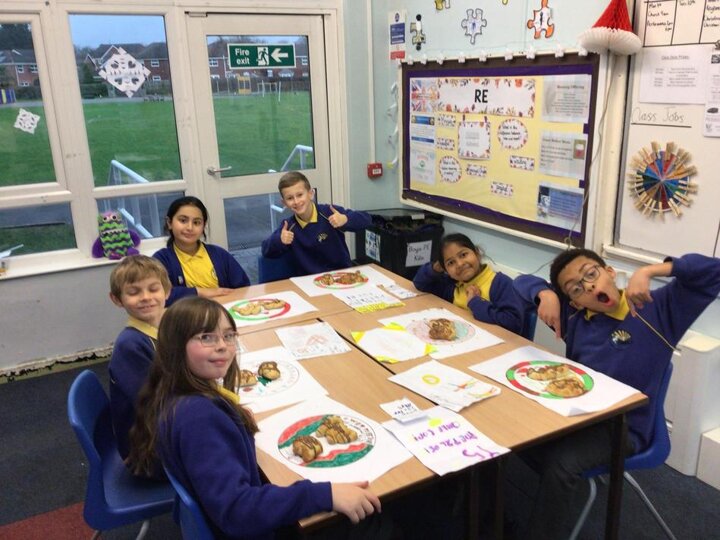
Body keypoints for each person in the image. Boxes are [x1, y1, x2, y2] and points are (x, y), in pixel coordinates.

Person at [127, 297, 381, 539]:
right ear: (175, 346)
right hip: (254, 530)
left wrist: (232, 417)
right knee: (379, 517)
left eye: (228, 335)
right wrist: (325, 495)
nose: (222, 345)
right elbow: (237, 510)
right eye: (206, 337)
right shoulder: (198, 418)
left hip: (226, 518)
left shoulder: (175, 394)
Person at [512, 249, 720, 540]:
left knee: (561, 463)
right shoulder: (574, 317)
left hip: (625, 426)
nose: (589, 287)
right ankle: (548, 489)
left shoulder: (658, 308)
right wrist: (545, 294)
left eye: (591, 274)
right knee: (514, 433)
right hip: (577, 416)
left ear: (609, 272)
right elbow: (520, 283)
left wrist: (648, 271)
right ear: (573, 301)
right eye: (576, 288)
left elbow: (713, 270)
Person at [108, 255, 171, 461]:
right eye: (134, 292)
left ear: (167, 291)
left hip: (165, 428)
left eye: (153, 289)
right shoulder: (130, 346)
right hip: (148, 452)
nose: (145, 297)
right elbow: (158, 407)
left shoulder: (166, 328)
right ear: (117, 299)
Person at [261, 171, 371, 276]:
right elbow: (266, 251)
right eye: (290, 198)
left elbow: (366, 219)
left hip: (341, 277)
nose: (296, 201)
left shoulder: (329, 212)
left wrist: (345, 219)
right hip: (307, 283)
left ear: (311, 194)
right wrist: (279, 240)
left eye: (300, 195)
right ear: (284, 203)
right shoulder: (288, 226)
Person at [413, 233, 526, 335]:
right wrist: (435, 268)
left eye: (463, 255)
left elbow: (513, 324)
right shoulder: (453, 286)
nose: (459, 264)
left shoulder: (499, 283)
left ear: (477, 253)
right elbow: (420, 284)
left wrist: (475, 303)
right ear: (446, 270)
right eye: (451, 263)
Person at [154, 196, 250, 306]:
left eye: (196, 222)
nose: (190, 227)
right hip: (184, 315)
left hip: (222, 311)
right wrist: (200, 292)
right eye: (183, 220)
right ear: (169, 223)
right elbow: (159, 295)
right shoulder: (160, 260)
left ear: (203, 226)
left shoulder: (219, 254)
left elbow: (243, 287)